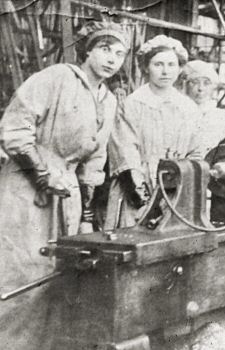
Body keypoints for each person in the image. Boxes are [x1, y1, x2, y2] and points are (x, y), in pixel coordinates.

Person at [0, 21, 129, 350]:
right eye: (105, 49)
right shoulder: (57, 78)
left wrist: (86, 211)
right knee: (24, 273)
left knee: (60, 275)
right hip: (26, 190)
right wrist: (43, 175)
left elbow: (95, 160)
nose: (111, 59)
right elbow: (15, 129)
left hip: (67, 193)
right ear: (88, 50)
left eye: (119, 54)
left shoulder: (108, 100)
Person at [106, 35, 203, 229]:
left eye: (171, 64)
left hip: (177, 194)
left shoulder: (189, 108)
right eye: (158, 64)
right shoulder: (132, 105)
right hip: (135, 191)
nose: (165, 71)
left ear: (180, 68)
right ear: (146, 67)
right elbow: (125, 155)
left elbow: (196, 153)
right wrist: (145, 202)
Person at [181, 60, 225, 153]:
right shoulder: (179, 113)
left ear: (213, 87)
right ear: (186, 85)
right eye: (195, 82)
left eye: (206, 83)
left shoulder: (220, 117)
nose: (201, 88)